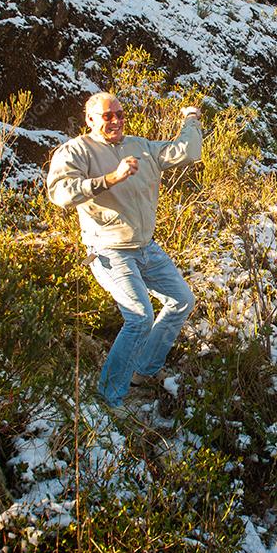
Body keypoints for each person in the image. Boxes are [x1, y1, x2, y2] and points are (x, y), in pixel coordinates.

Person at [46, 91, 202, 411]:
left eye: (119, 114)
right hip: (109, 250)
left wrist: (190, 119)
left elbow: (186, 151)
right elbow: (60, 193)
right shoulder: (76, 151)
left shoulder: (140, 146)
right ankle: (109, 398)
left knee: (182, 300)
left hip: (146, 248)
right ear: (90, 120)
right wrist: (109, 178)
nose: (115, 120)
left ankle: (143, 371)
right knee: (139, 317)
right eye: (107, 116)